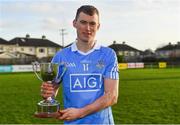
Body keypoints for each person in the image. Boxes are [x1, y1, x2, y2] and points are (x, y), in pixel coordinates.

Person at [41, 5, 119, 124]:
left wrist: (80, 112)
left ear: (98, 26)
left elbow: (112, 96)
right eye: (83, 22)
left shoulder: (108, 54)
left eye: (92, 23)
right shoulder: (61, 56)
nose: (88, 28)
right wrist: (48, 95)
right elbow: (53, 90)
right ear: (74, 23)